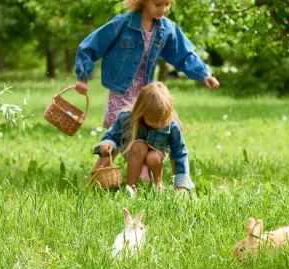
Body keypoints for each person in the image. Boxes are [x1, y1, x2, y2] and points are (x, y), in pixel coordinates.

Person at [74, 0, 219, 180]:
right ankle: (94, 181)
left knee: (173, 126)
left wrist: (204, 74)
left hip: (146, 93)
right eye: (158, 4)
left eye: (167, 5)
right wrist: (82, 76)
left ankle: (180, 181)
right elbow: (90, 46)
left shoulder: (166, 28)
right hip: (122, 91)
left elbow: (184, 53)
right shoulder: (122, 24)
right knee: (119, 135)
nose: (163, 10)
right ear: (143, 2)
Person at [93, 82, 192, 196]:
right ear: (142, 111)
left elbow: (179, 152)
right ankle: (131, 187)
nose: (158, 124)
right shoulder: (127, 118)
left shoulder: (171, 125)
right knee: (139, 145)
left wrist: (181, 185)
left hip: (156, 154)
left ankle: (157, 186)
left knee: (153, 157)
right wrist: (108, 143)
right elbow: (113, 135)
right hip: (133, 152)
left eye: (162, 120)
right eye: (153, 120)